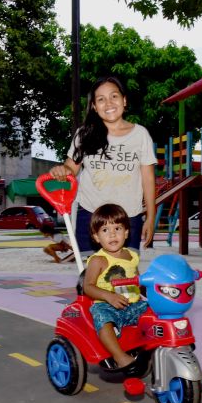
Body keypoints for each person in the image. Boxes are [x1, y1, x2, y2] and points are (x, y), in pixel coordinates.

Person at [48, 76, 156, 257]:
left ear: (124, 100)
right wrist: (61, 170)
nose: (108, 103)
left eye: (114, 96)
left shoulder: (140, 135)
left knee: (125, 271)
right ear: (94, 106)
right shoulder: (84, 134)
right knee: (92, 270)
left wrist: (151, 217)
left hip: (128, 216)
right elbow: (70, 169)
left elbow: (148, 179)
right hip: (91, 214)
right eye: (101, 99)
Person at [84, 203, 148, 370]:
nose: (112, 234)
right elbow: (88, 287)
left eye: (117, 228)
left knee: (156, 312)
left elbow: (139, 281)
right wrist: (108, 296)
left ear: (126, 232)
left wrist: (151, 292)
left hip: (133, 304)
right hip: (107, 305)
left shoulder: (131, 256)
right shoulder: (98, 260)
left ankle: (160, 344)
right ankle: (119, 356)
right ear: (96, 237)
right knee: (102, 319)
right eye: (105, 230)